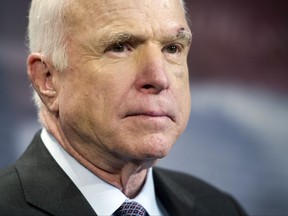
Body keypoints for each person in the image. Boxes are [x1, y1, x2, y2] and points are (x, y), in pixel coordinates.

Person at [0, 0, 247, 215]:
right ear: (48, 78)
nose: (159, 78)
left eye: (172, 48)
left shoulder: (220, 208)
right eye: (120, 47)